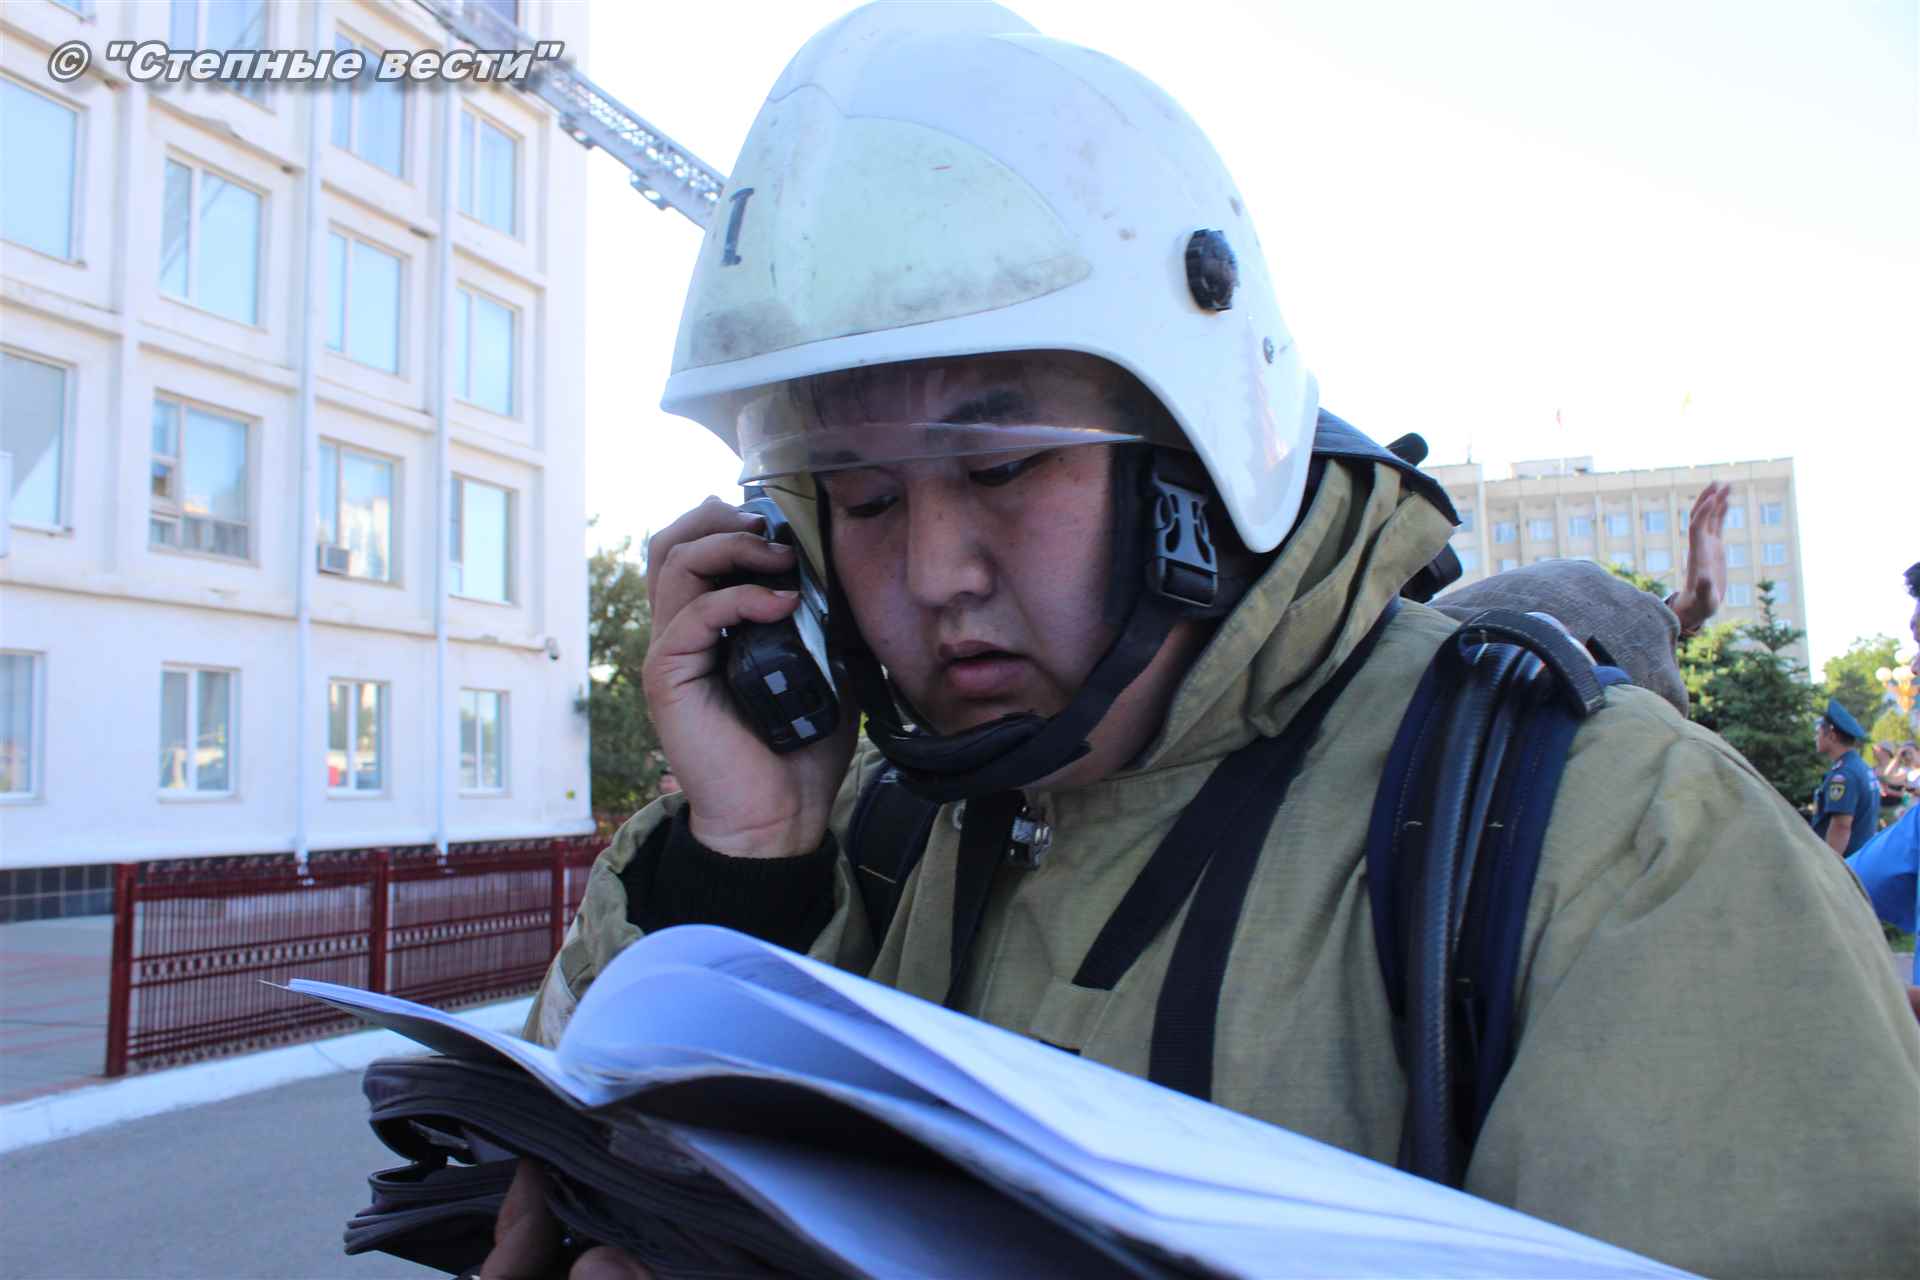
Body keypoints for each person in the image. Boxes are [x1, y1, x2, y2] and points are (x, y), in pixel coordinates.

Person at [483, 7, 1919, 1277]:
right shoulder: (873, 835)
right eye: (861, 499)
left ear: (1199, 456)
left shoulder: (1619, 847)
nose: (931, 574)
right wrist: (744, 866)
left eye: (1002, 466)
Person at [1812, 697, 1880, 857]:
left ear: (1832, 736)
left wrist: (1829, 864)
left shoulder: (1844, 775)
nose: (1816, 738)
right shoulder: (1860, 766)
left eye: (1818, 733)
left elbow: (1841, 826)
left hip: (1847, 860)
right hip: (1861, 855)